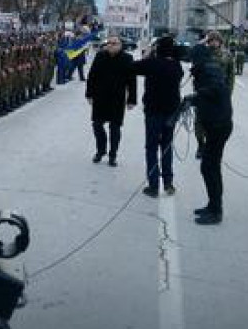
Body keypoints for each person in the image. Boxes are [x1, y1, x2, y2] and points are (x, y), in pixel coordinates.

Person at [130, 36, 183, 196]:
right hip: (171, 111)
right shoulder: (176, 65)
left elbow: (132, 67)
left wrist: (147, 54)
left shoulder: (152, 63)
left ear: (157, 48)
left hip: (153, 111)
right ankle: (168, 183)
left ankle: (153, 186)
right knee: (166, 146)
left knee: (152, 147)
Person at [187, 43, 233, 225]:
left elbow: (217, 90)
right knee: (209, 167)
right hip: (214, 122)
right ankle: (212, 205)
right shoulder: (206, 68)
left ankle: (216, 210)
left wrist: (197, 97)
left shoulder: (210, 70)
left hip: (218, 125)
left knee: (210, 168)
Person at [85, 34, 135, 166]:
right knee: (97, 125)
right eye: (109, 43)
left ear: (120, 45)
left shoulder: (127, 58)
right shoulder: (100, 56)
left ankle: (113, 155)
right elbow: (92, 76)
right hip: (100, 97)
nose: (111, 46)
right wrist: (89, 94)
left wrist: (131, 100)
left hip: (117, 99)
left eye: (114, 43)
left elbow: (132, 81)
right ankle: (100, 150)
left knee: (115, 127)